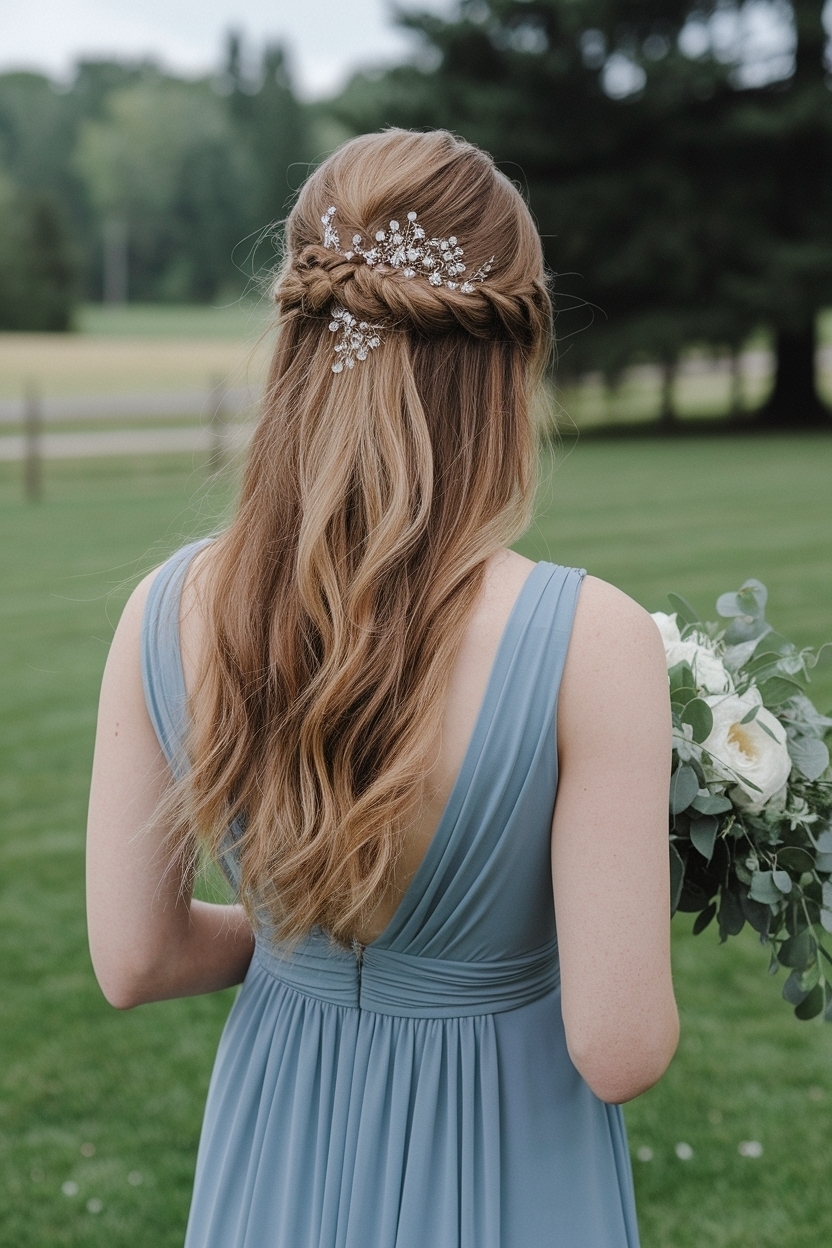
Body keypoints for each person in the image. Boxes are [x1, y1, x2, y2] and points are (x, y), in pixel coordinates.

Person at [86, 129, 678, 1248]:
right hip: (505, 1156)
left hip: (277, 1138)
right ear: (513, 357)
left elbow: (136, 957)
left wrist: (307, 934)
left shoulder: (165, 610)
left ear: (297, 338)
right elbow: (620, 1046)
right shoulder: (589, 641)